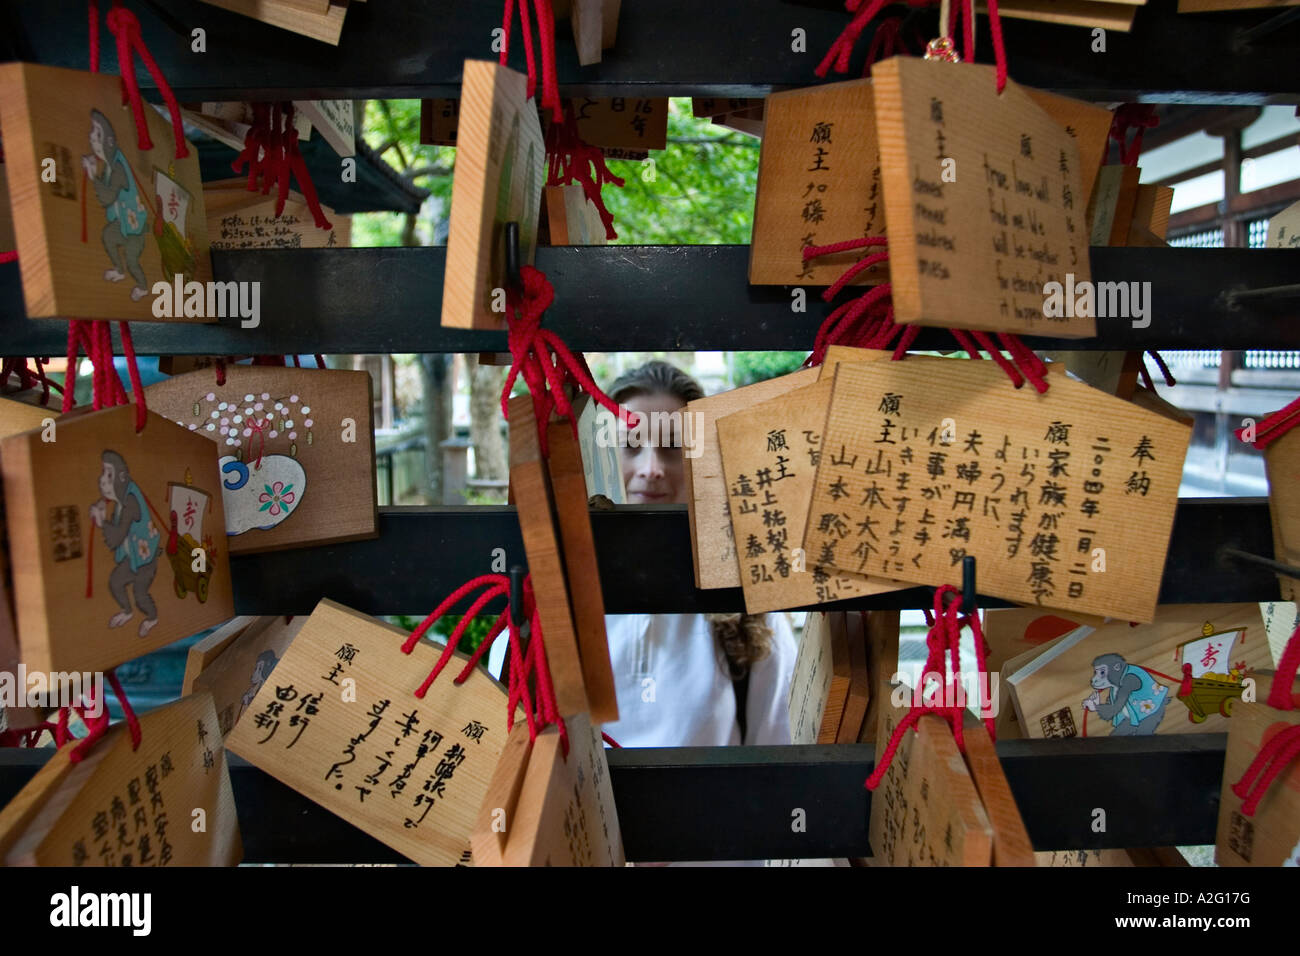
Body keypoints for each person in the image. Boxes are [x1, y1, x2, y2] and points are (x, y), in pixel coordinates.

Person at [600, 361, 798, 749]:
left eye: (673, 448)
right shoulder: (555, 606)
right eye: (631, 446)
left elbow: (777, 768)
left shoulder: (751, 612)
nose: (651, 468)